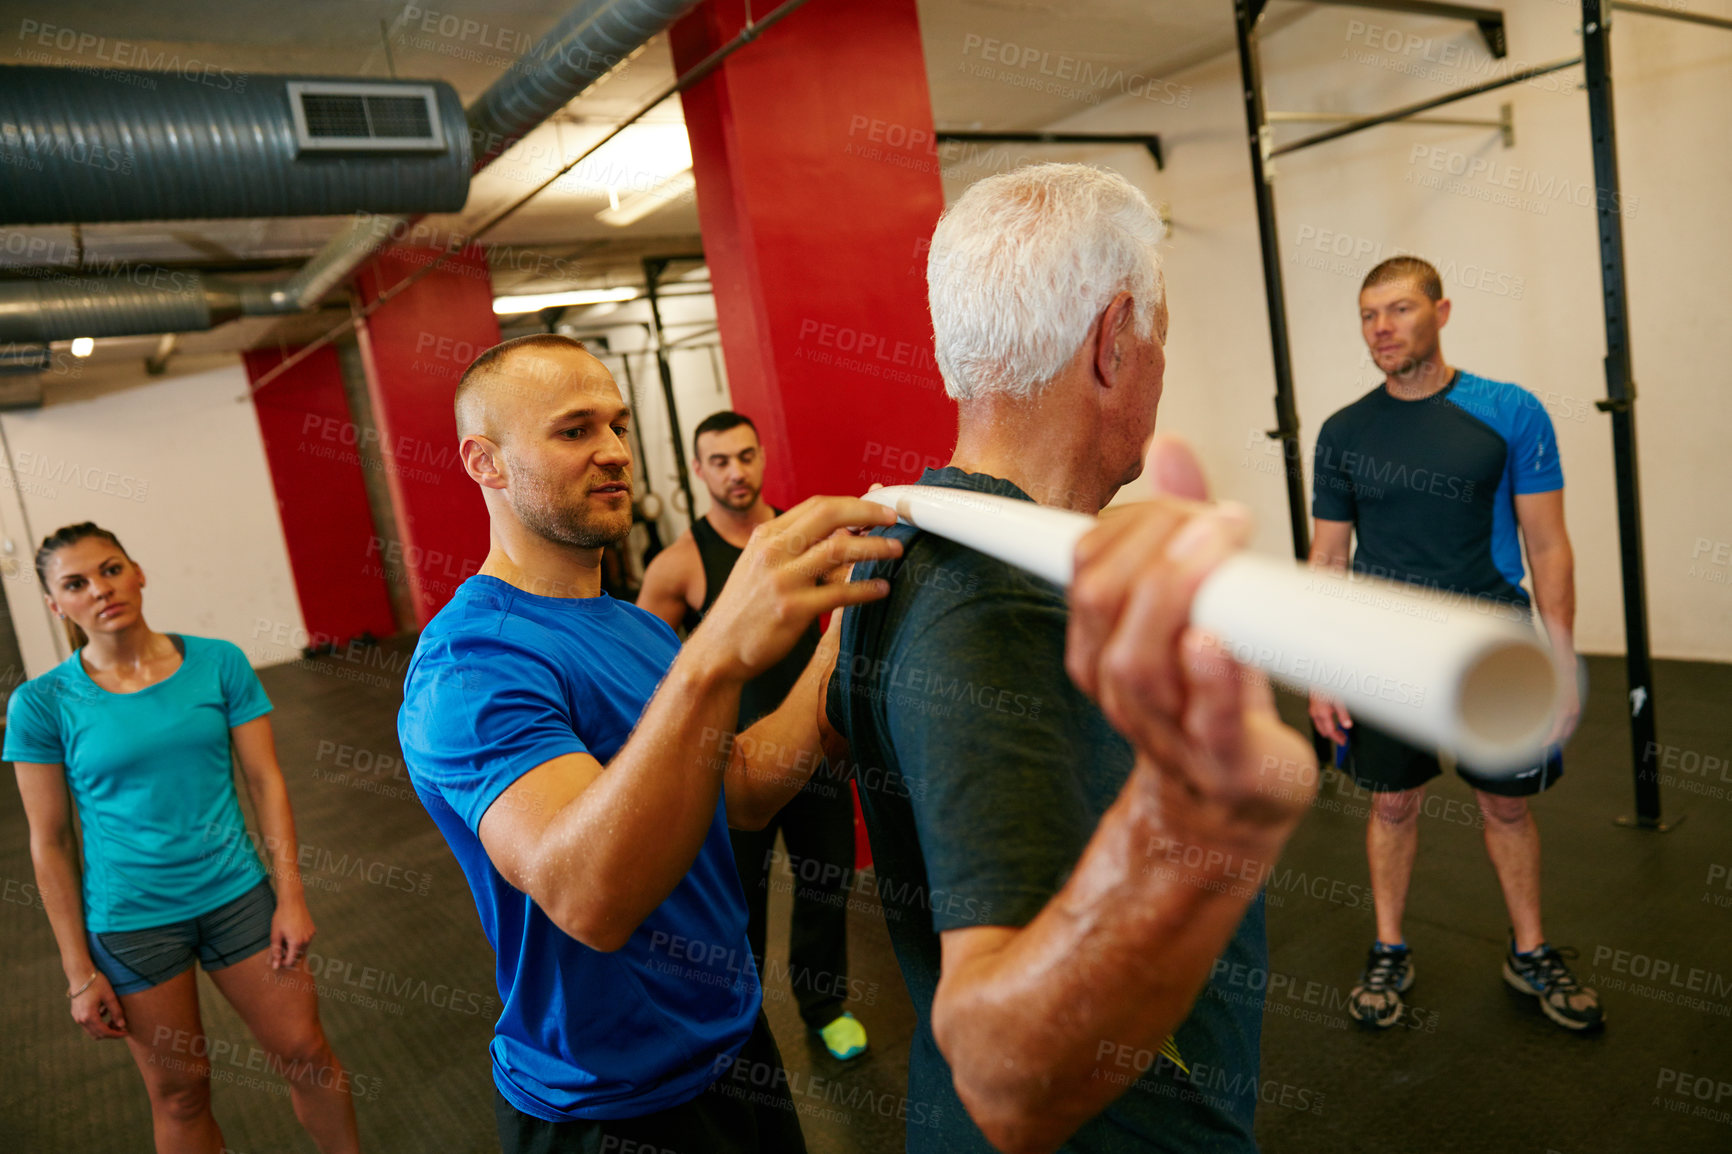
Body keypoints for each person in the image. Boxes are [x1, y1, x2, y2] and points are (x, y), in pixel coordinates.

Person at [823, 163, 1319, 1153]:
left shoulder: (920, 534)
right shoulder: (991, 606)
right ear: (1112, 343)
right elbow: (1008, 1077)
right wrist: (1196, 821)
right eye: (1159, 341)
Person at [395, 334, 902, 1152]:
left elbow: (731, 787)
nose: (614, 453)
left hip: (736, 1050)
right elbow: (591, 898)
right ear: (484, 463)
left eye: (619, 426)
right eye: (574, 431)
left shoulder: (635, 628)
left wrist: (841, 653)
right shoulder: (471, 663)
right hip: (606, 1105)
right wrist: (715, 653)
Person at [1308, 255, 1599, 1032]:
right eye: (1369, 315)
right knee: (1393, 803)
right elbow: (1329, 560)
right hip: (1384, 647)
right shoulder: (1343, 432)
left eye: (1400, 310)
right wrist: (1321, 669)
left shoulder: (1511, 412)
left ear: (1442, 310)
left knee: (1507, 807)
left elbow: (1549, 548)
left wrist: (1560, 659)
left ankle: (1529, 948)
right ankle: (1389, 945)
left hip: (1492, 645)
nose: (1381, 328)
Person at [7, 522, 361, 1154]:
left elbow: (266, 781)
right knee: (180, 1094)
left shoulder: (217, 662)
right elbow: (49, 844)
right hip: (132, 923)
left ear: (138, 572)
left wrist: (290, 897)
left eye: (111, 569)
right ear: (56, 605)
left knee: (306, 1052)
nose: (101, 590)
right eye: (76, 584)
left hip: (239, 899)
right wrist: (78, 971)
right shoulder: (42, 703)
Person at [638, 409, 868, 1062]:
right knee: (735, 902)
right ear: (697, 471)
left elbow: (844, 631)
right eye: (720, 460)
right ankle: (735, 1023)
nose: (736, 472)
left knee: (826, 887)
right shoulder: (677, 566)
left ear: (762, 456)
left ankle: (825, 1007)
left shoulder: (805, 539)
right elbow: (652, 676)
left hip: (815, 753)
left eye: (745, 456)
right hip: (733, 767)